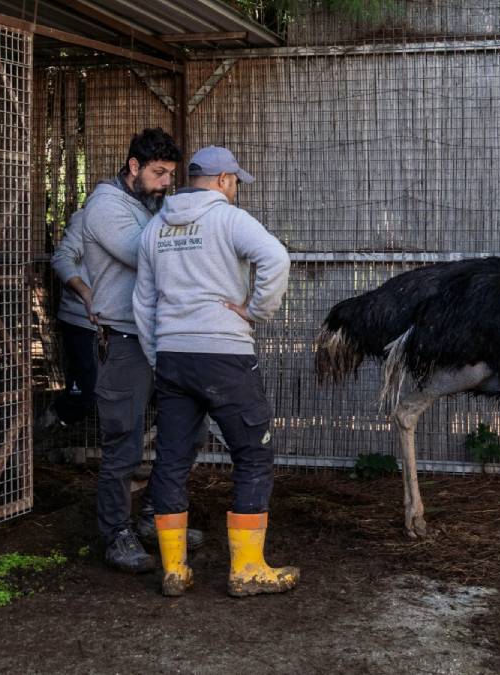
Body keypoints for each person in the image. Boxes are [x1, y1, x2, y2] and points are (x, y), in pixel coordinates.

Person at [133, 146, 296, 597]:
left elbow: (143, 302)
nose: (236, 188)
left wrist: (158, 354)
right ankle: (246, 568)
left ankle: (174, 569)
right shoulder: (229, 219)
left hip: (173, 357)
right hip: (224, 355)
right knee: (252, 454)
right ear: (223, 180)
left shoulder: (154, 229)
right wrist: (256, 311)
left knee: (172, 458)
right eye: (236, 181)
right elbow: (276, 259)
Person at [76, 128, 203, 574]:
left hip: (164, 336)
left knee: (185, 432)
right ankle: (116, 533)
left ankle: (155, 516)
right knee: (123, 445)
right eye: (158, 173)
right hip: (126, 339)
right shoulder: (106, 207)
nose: (167, 182)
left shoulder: (150, 205)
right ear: (133, 167)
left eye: (171, 173)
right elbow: (150, 254)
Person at [37, 210, 98, 435]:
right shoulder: (88, 216)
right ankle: (51, 421)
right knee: (84, 391)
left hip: (121, 321)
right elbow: (62, 257)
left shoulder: (142, 215)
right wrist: (86, 293)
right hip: (82, 319)